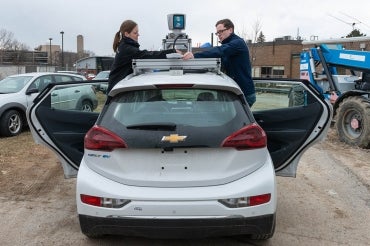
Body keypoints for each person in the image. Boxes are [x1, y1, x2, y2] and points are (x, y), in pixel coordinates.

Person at [182, 19, 256, 107]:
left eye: (221, 31)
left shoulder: (237, 43)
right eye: (217, 33)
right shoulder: (229, 46)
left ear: (230, 30)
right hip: (234, 92)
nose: (219, 35)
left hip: (243, 93)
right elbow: (214, 55)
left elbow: (220, 51)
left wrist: (194, 55)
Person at [108, 20, 180, 93]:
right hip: (117, 89)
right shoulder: (127, 49)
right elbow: (148, 55)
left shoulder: (124, 46)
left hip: (117, 87)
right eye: (135, 33)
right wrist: (170, 52)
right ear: (126, 34)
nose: (138, 35)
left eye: (138, 32)